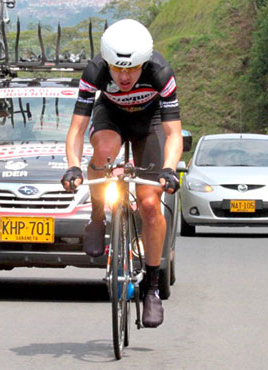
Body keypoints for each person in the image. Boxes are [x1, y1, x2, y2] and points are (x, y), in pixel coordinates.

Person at [62, 19, 182, 328]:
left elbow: (173, 133)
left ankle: (152, 287)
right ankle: (98, 214)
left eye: (132, 69)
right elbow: (76, 129)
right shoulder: (95, 72)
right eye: (117, 69)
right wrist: (74, 165)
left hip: (150, 122)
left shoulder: (160, 73)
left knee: (150, 203)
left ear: (145, 63)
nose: (125, 76)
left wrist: (169, 169)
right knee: (103, 151)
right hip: (111, 116)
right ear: (107, 63)